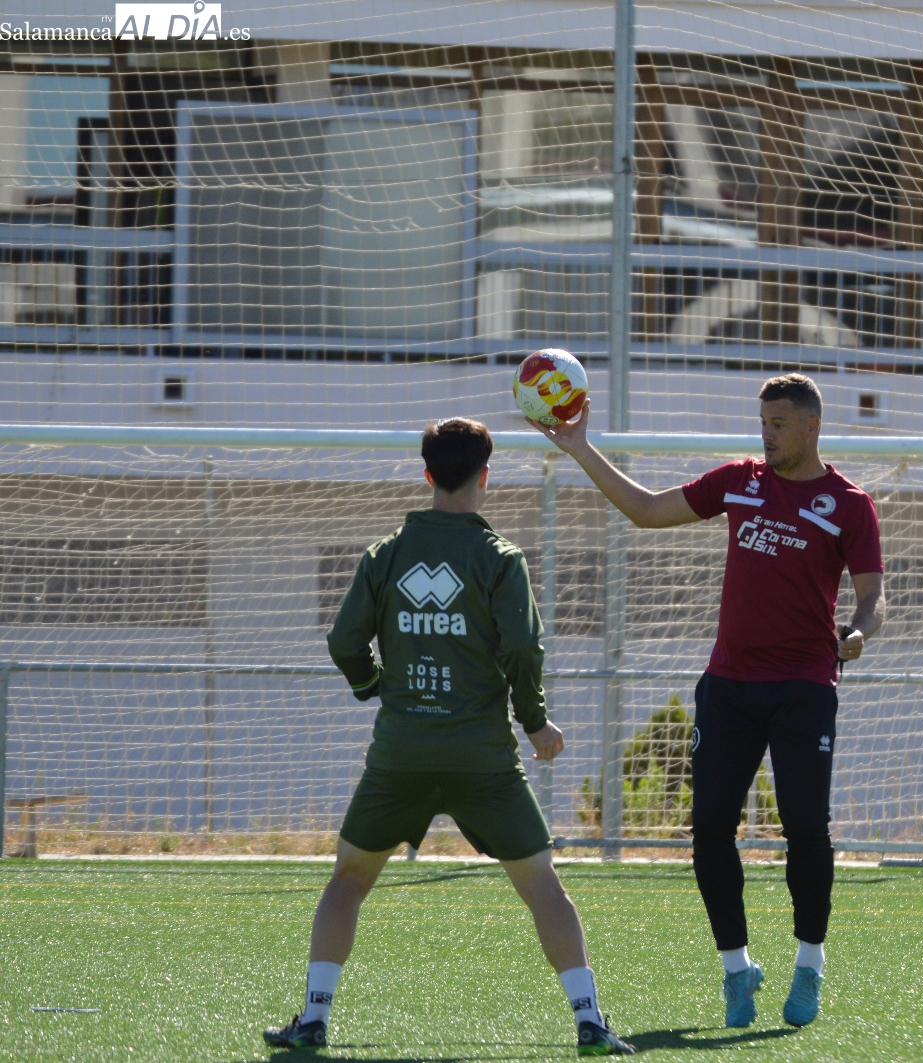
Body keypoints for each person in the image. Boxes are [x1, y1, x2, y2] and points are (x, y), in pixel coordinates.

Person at [263, 418, 634, 1056]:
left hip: (401, 752)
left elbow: (343, 641)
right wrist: (535, 722)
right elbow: (522, 648)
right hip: (483, 758)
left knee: (348, 879)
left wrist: (373, 685)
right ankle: (590, 1021)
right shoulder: (500, 559)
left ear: (428, 474)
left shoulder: (386, 555)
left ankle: (314, 1018)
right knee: (543, 885)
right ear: (486, 476)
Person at [535, 374, 886, 1030]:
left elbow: (872, 594)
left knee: (805, 826)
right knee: (709, 828)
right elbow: (644, 509)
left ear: (811, 426)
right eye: (762, 422)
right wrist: (579, 447)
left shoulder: (848, 504)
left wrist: (859, 632)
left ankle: (809, 960)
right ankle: (736, 968)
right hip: (727, 685)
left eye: (778, 423)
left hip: (805, 685)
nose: (767, 433)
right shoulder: (737, 480)